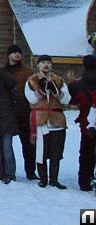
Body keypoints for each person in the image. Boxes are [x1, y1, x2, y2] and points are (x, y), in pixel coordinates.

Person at [26, 54, 71, 189]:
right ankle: (43, 178)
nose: (46, 65)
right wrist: (40, 90)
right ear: (38, 65)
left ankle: (54, 179)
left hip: (57, 121)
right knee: (41, 152)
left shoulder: (59, 81)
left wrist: (55, 90)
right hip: (40, 120)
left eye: (48, 62)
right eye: (43, 62)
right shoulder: (32, 81)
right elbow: (31, 100)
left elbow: (66, 100)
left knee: (56, 152)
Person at [2, 44, 37, 180]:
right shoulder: (3, 71)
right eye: (14, 53)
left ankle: (30, 171)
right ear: (8, 55)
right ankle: (7, 170)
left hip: (23, 112)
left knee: (28, 145)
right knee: (6, 144)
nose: (17, 55)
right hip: (7, 112)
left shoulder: (28, 72)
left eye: (19, 53)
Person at [69, 54, 96, 191]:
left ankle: (84, 181)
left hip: (86, 124)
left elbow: (70, 100)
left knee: (86, 153)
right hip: (90, 122)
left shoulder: (77, 84)